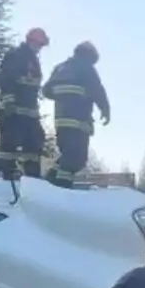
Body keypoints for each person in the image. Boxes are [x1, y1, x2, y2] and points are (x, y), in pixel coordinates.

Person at [42, 41, 111, 188]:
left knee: (68, 155)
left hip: (61, 121)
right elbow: (97, 90)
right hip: (79, 120)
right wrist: (105, 110)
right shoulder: (86, 67)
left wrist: (62, 95)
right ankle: (61, 186)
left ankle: (49, 182)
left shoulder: (60, 67)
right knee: (76, 158)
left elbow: (46, 90)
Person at [0, 28, 49, 178]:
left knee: (34, 143)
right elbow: (6, 79)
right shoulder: (16, 56)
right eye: (39, 44)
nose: (40, 48)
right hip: (15, 108)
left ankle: (33, 175)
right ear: (31, 41)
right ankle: (8, 173)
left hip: (30, 110)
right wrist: (9, 102)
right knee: (10, 142)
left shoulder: (33, 59)